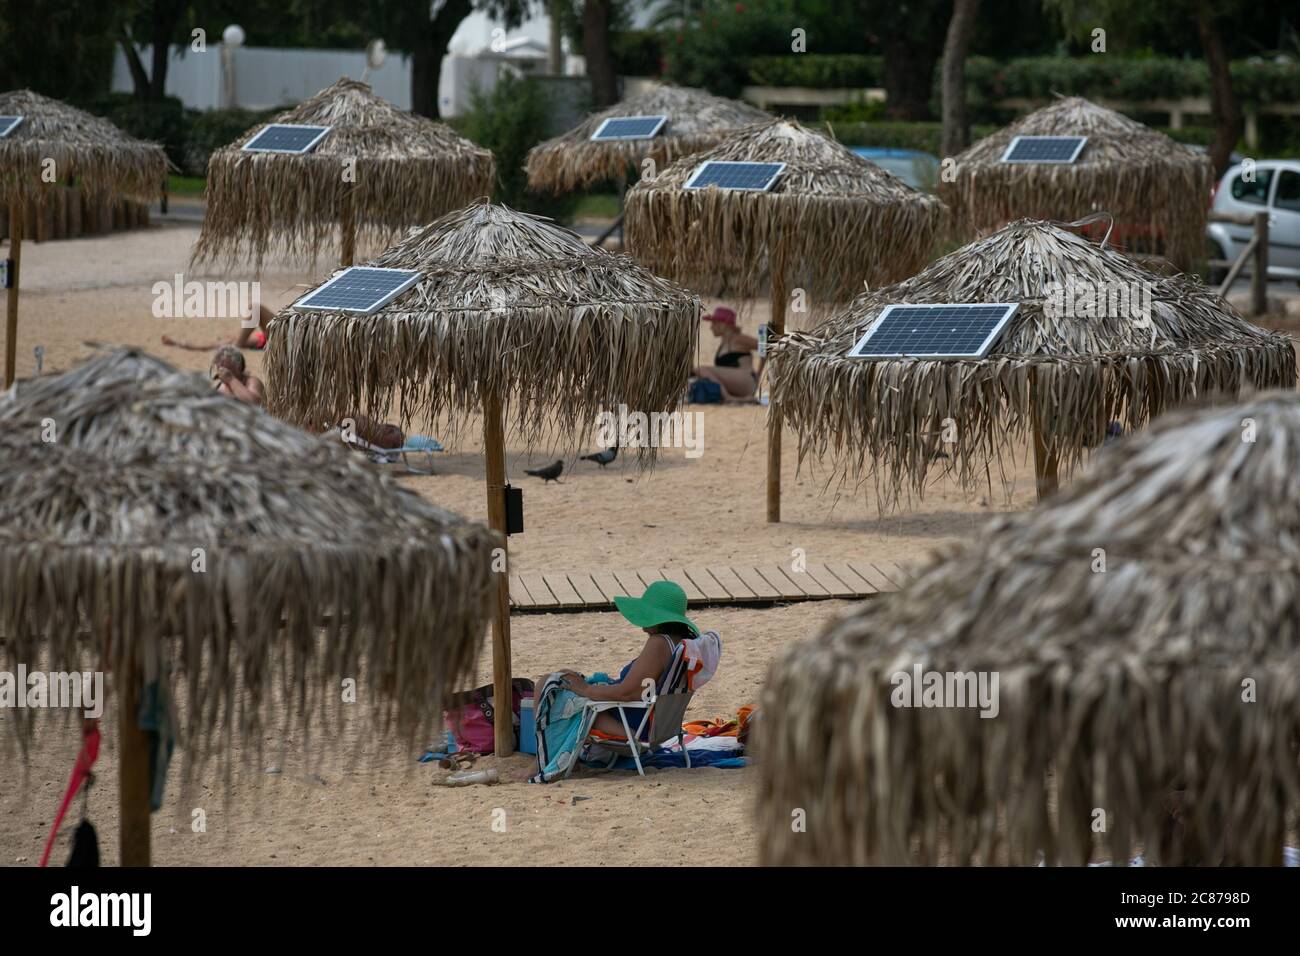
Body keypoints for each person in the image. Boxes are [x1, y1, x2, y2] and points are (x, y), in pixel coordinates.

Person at [546, 581, 700, 741]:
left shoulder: (659, 643)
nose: (643, 624)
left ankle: (543, 761)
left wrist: (585, 689)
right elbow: (640, 689)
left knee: (553, 687)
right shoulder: (681, 644)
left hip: (634, 725)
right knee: (564, 676)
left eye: (648, 615)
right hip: (660, 725)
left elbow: (626, 694)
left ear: (660, 618)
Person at [691, 306, 759, 402]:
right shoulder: (724, 342)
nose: (711, 327)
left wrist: (759, 373)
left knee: (700, 369)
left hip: (747, 381)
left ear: (723, 324)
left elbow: (766, 347)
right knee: (694, 374)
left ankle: (728, 398)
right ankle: (730, 397)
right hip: (736, 384)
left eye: (714, 323)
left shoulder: (738, 339)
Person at [161, 303, 274, 352]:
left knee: (254, 308)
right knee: (232, 341)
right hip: (279, 335)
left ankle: (237, 346)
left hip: (285, 335)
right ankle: (181, 344)